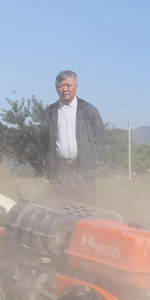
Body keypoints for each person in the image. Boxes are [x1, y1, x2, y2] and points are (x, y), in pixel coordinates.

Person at [39, 70, 106, 204]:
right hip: (60, 170)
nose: (65, 89)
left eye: (68, 85)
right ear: (56, 89)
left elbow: (100, 137)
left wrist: (93, 160)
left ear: (76, 87)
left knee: (86, 207)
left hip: (84, 169)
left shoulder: (89, 110)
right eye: (60, 86)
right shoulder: (50, 112)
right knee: (61, 206)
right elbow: (44, 139)